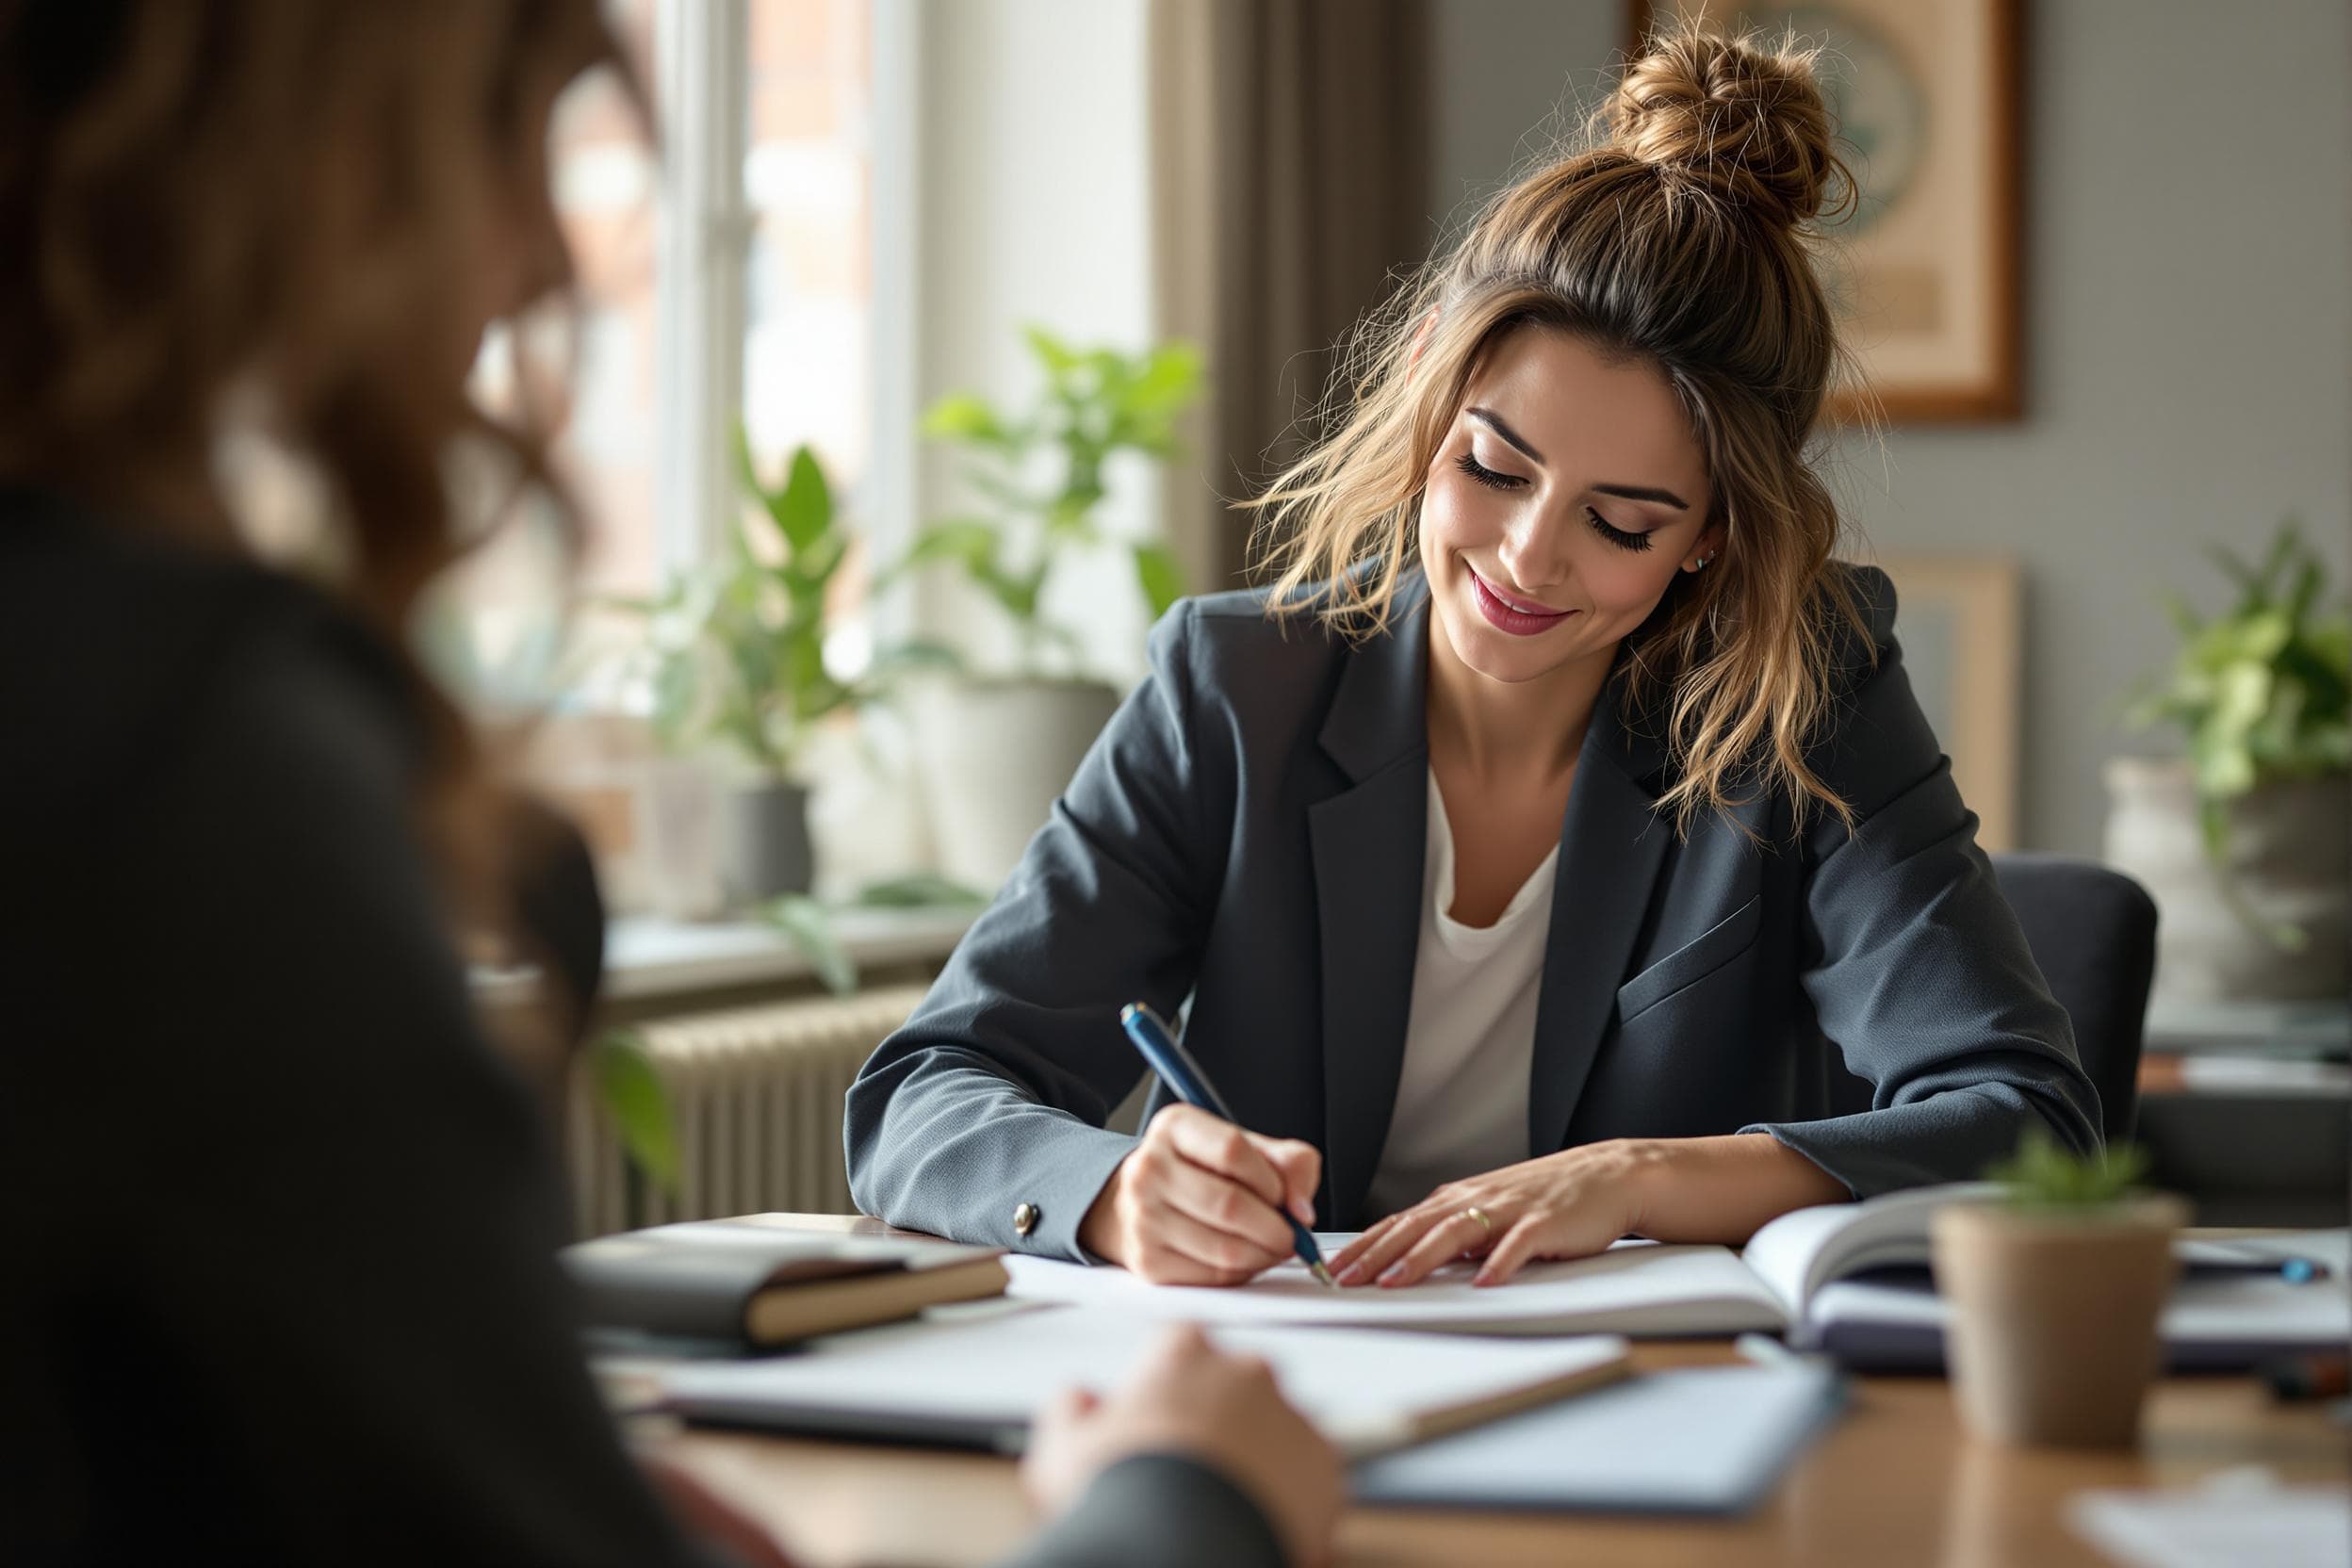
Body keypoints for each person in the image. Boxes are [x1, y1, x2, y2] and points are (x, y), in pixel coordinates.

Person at [0, 3, 1339, 1565]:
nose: (536, 266)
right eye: (509, 135)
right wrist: (1190, 1498)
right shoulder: (184, 775)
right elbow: (931, 1086)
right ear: (317, 157)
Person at [845, 24, 2102, 1291]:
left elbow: (2027, 1118)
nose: (1524, 559)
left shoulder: (1804, 700)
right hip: (1299, 1383)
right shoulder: (1234, 693)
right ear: (1428, 387)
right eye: (1491, 468)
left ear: (1714, 534)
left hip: (1657, 1412)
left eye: (1623, 523)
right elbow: (921, 1095)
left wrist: (1640, 1180)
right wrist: (1115, 1192)